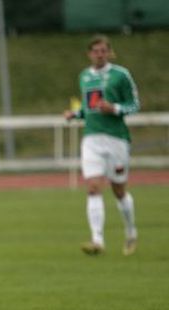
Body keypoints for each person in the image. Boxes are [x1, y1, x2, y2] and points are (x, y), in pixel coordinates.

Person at [64, 35, 140, 256]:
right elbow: (90, 109)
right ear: (89, 54)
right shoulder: (85, 77)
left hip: (116, 138)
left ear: (109, 52)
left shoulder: (121, 75)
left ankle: (131, 231)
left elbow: (134, 104)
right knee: (93, 187)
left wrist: (115, 108)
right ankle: (97, 240)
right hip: (92, 139)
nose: (99, 54)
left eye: (103, 50)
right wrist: (75, 114)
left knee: (119, 191)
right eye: (95, 51)